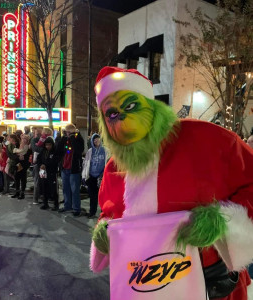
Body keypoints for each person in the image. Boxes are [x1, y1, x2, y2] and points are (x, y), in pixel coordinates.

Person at [90, 66, 253, 300]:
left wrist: (224, 223)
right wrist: (105, 234)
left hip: (212, 287)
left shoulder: (207, 139)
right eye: (112, 114)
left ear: (153, 106)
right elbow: (109, 214)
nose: (122, 117)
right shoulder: (114, 169)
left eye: (130, 105)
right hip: (145, 287)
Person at [57, 123, 84, 216]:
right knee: (66, 189)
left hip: (74, 169)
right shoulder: (65, 139)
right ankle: (67, 206)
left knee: (75, 190)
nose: (67, 133)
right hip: (65, 168)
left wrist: (73, 136)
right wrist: (63, 138)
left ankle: (76, 208)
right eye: (66, 132)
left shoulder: (78, 139)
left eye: (68, 132)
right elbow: (59, 149)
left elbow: (78, 149)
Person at [82, 134, 107, 218]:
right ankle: (92, 212)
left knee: (103, 196)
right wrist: (84, 176)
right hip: (91, 176)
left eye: (98, 139)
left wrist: (104, 173)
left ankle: (104, 213)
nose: (96, 141)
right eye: (94, 140)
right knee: (92, 196)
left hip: (102, 177)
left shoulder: (105, 150)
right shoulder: (90, 151)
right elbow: (85, 164)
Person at [37, 137, 59, 210]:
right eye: (46, 145)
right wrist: (41, 165)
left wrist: (45, 165)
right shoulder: (43, 151)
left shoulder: (55, 152)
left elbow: (54, 161)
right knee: (44, 187)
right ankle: (45, 203)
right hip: (43, 172)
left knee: (53, 188)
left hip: (51, 172)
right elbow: (39, 159)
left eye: (49, 145)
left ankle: (56, 205)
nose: (48, 146)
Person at [11, 135, 31, 199]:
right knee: (16, 179)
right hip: (17, 165)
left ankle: (22, 193)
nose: (24, 140)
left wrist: (23, 158)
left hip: (24, 165)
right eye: (23, 138)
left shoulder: (28, 149)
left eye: (26, 139)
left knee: (23, 179)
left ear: (27, 141)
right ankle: (17, 192)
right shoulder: (17, 147)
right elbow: (13, 155)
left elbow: (28, 158)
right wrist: (18, 157)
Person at [30, 127, 43, 204]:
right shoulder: (34, 140)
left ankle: (40, 196)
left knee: (41, 179)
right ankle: (36, 198)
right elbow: (36, 149)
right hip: (37, 163)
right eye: (37, 133)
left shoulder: (38, 140)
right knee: (37, 180)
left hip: (41, 163)